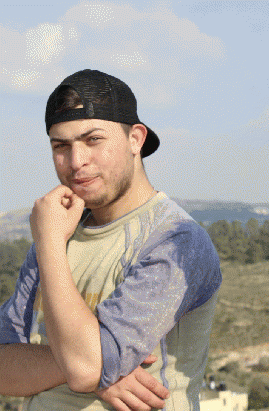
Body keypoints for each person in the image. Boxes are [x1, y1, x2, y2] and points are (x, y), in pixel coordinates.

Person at [0, 69, 222, 411]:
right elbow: (4, 369)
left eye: (93, 140)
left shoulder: (176, 240)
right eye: (61, 146)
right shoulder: (55, 236)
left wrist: (89, 365)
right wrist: (94, 365)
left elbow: (86, 368)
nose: (77, 162)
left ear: (135, 139)